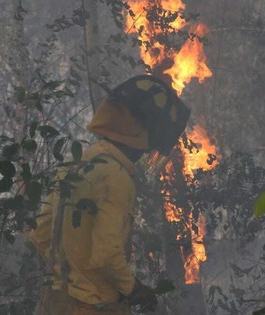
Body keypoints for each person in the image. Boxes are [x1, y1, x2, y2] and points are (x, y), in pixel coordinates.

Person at [29, 75, 190, 315]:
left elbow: (41, 234)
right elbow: (106, 254)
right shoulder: (116, 178)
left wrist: (72, 277)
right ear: (143, 135)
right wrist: (135, 289)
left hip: (53, 302)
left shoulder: (75, 161)